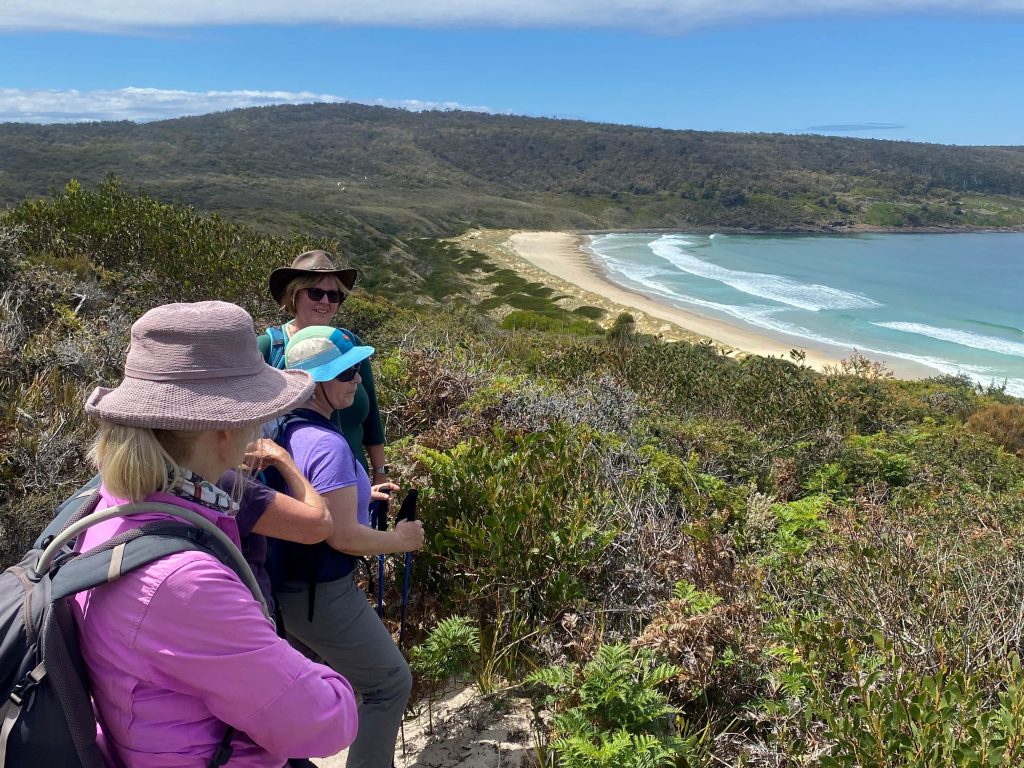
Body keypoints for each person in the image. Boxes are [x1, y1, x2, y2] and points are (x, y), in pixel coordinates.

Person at [73, 300, 358, 767]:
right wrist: (325, 679)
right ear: (224, 428)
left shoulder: (107, 504)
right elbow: (323, 721)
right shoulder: (185, 585)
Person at [268, 325, 425, 768]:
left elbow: (310, 498)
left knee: (297, 688)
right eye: (348, 372)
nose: (359, 379)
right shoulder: (328, 444)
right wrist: (399, 540)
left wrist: (359, 494)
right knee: (389, 683)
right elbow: (342, 536)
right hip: (323, 593)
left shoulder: (288, 428)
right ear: (316, 382)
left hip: (287, 587)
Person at [258, 250, 389, 484]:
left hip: (356, 483)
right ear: (294, 294)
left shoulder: (350, 345)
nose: (325, 302)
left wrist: (380, 472)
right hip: (293, 488)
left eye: (334, 295)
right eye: (316, 293)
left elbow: (371, 420)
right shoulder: (269, 347)